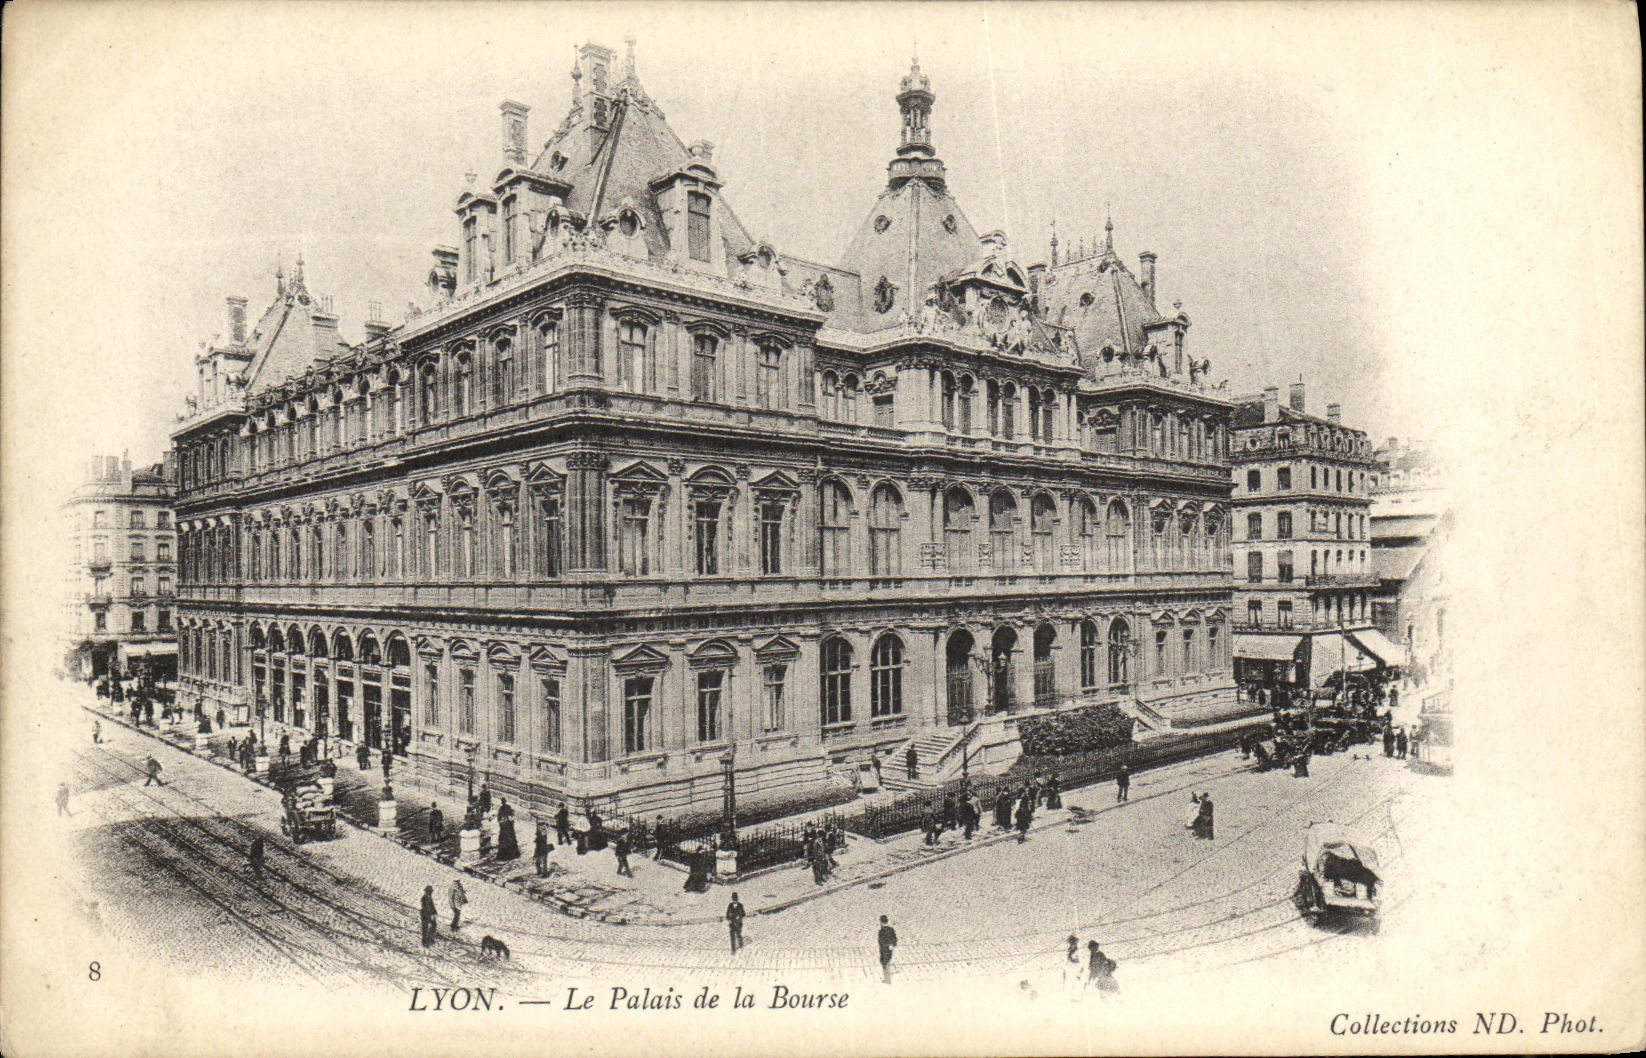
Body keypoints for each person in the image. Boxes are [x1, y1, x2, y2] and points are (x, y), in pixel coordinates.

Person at [877, 915, 898, 984]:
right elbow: (894, 938)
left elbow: (881, 941)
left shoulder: (881, 931)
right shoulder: (891, 929)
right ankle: (887, 978)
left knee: (884, 963)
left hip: (884, 949)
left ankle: (887, 979)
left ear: (881, 922)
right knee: (887, 961)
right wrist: (892, 945)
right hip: (889, 948)